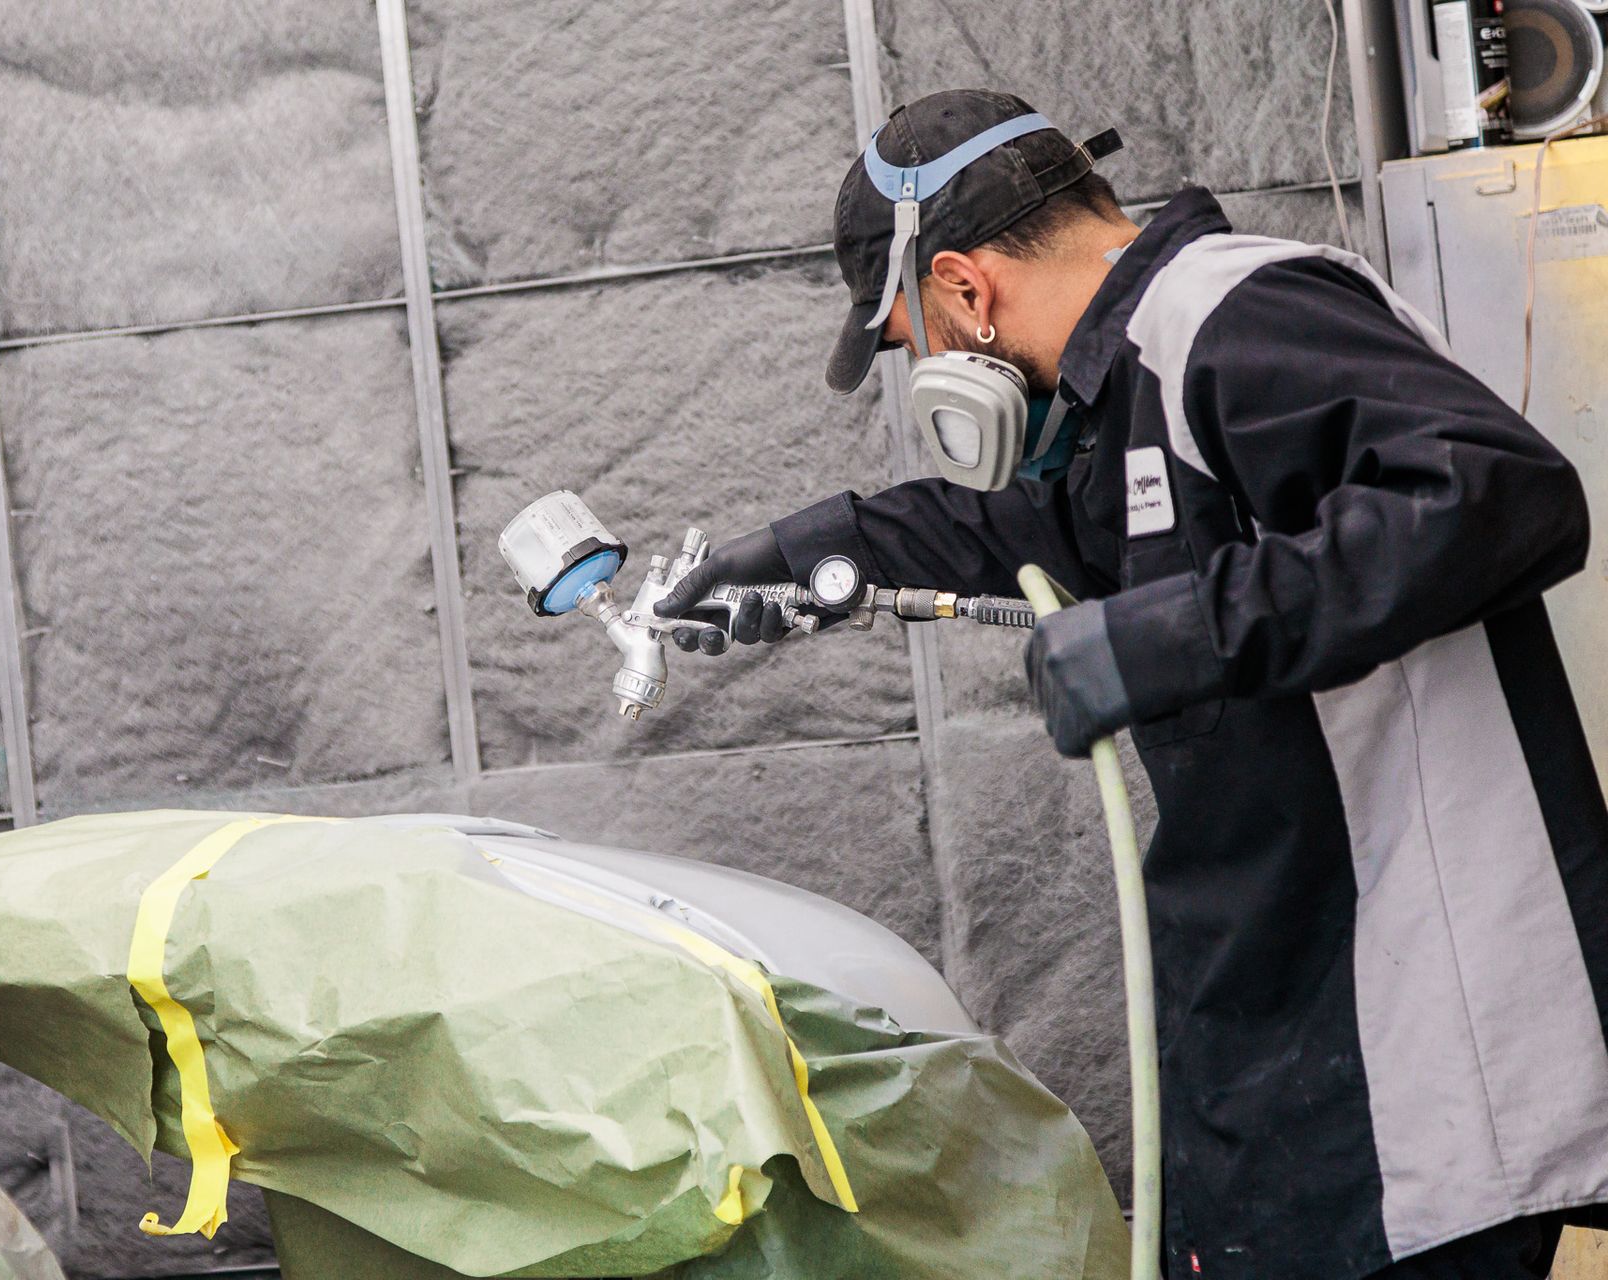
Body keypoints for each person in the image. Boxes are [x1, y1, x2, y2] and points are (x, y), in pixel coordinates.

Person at [656, 88, 1608, 1280]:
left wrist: (1167, 637)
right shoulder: (1123, 395)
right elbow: (1007, 525)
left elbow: (1498, 494)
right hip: (1300, 1049)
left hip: (1419, 1054)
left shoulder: (1232, 311)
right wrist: (804, 559)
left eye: (914, 342)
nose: (931, 374)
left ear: (963, 286)